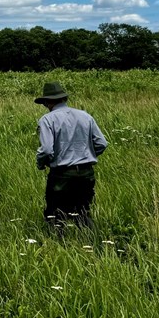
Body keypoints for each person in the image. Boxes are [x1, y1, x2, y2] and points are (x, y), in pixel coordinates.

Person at [34, 81, 107, 236]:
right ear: (63, 98)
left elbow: (46, 150)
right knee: (83, 212)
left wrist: (41, 164)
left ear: (48, 101)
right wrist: (86, 155)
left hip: (61, 174)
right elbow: (101, 143)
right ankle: (92, 244)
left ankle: (58, 246)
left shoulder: (47, 120)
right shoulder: (85, 116)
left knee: (55, 214)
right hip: (86, 173)